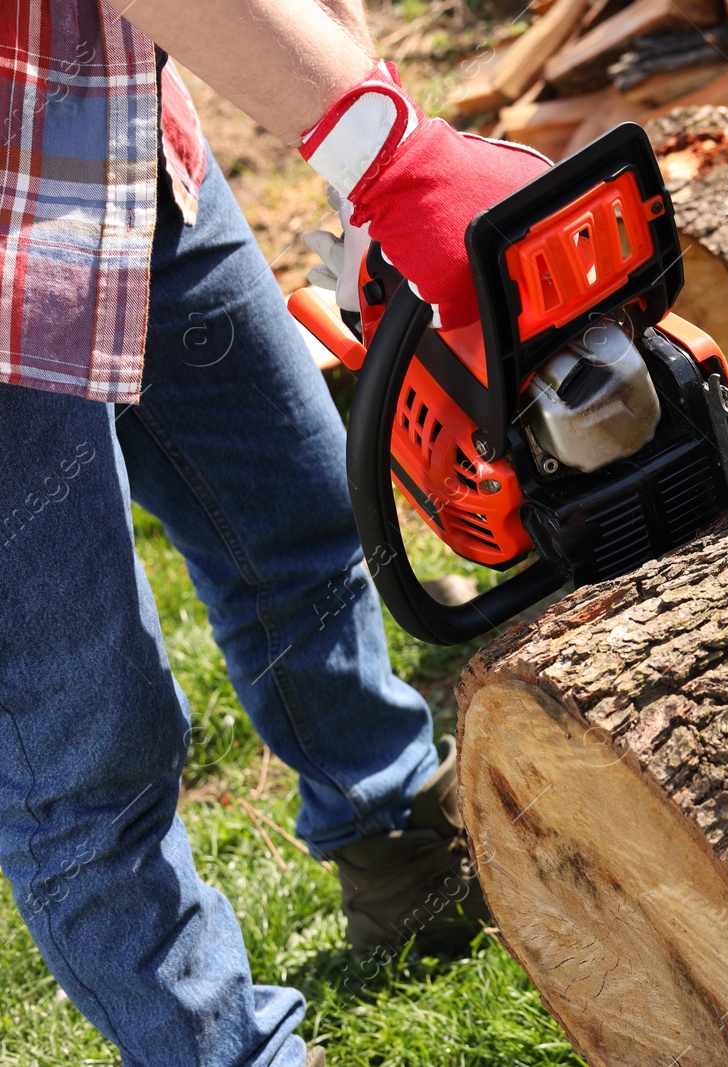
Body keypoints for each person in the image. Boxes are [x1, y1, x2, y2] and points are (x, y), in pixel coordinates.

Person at [0, 1, 552, 1063]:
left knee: (301, 518)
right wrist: (397, 157)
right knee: (84, 736)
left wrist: (366, 140)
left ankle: (394, 837)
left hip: (111, 134)